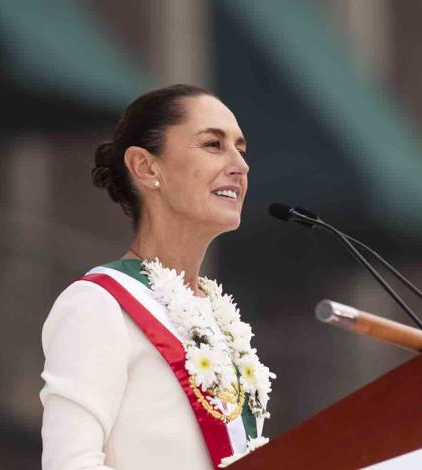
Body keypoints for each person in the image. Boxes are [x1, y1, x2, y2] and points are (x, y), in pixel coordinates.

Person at [40, 85, 274, 470]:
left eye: (241, 149)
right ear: (146, 168)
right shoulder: (98, 305)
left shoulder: (217, 318)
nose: (240, 165)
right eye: (213, 145)